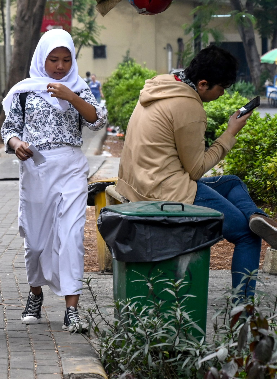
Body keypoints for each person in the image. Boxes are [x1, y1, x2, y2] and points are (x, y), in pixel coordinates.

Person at [116, 45, 277, 295]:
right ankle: (242, 313)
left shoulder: (162, 86)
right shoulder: (189, 108)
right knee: (247, 236)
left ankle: (258, 217)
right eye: (221, 88)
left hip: (139, 182)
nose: (223, 94)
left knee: (232, 182)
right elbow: (196, 170)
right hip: (165, 192)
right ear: (202, 84)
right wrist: (230, 133)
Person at [1, 29, 107, 332]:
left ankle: (72, 309)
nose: (60, 66)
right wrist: (15, 144)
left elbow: (97, 120)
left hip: (71, 167)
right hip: (36, 170)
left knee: (71, 236)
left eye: (65, 59)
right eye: (53, 59)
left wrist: (71, 96)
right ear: (41, 58)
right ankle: (35, 293)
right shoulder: (24, 90)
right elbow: (8, 128)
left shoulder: (77, 87)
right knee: (35, 241)